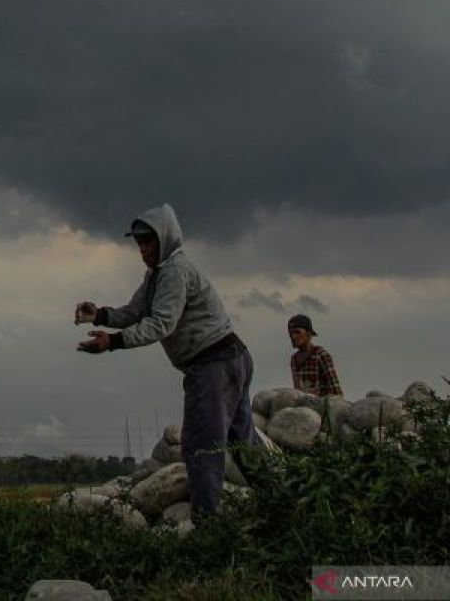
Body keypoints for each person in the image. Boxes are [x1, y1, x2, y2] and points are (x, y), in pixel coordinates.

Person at [74, 203, 257, 523]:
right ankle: (283, 498)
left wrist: (113, 342)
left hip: (213, 364)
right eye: (140, 243)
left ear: (166, 239)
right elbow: (136, 311)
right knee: (243, 444)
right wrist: (101, 315)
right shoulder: (158, 274)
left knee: (202, 447)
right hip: (231, 358)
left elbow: (161, 324)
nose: (143, 249)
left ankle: (208, 527)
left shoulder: (174, 272)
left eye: (148, 242)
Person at [287, 314, 342, 397]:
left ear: (308, 334)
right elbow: (297, 389)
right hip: (303, 407)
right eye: (290, 333)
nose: (293, 336)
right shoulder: (294, 359)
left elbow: (335, 388)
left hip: (321, 405)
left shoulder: (320, 355)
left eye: (297, 332)